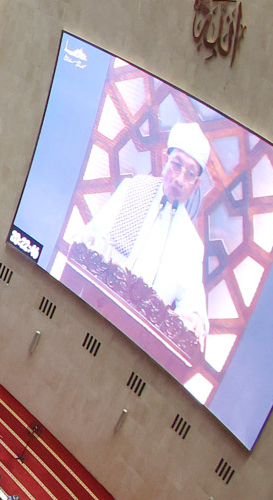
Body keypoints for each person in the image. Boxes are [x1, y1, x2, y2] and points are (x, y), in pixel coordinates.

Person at [83, 120, 211, 346]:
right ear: (165, 160)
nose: (180, 179)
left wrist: (196, 317)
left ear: (196, 184)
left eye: (190, 174)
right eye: (176, 165)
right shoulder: (135, 189)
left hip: (138, 341)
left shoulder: (191, 244)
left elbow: (193, 305)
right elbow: (92, 234)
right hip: (96, 308)